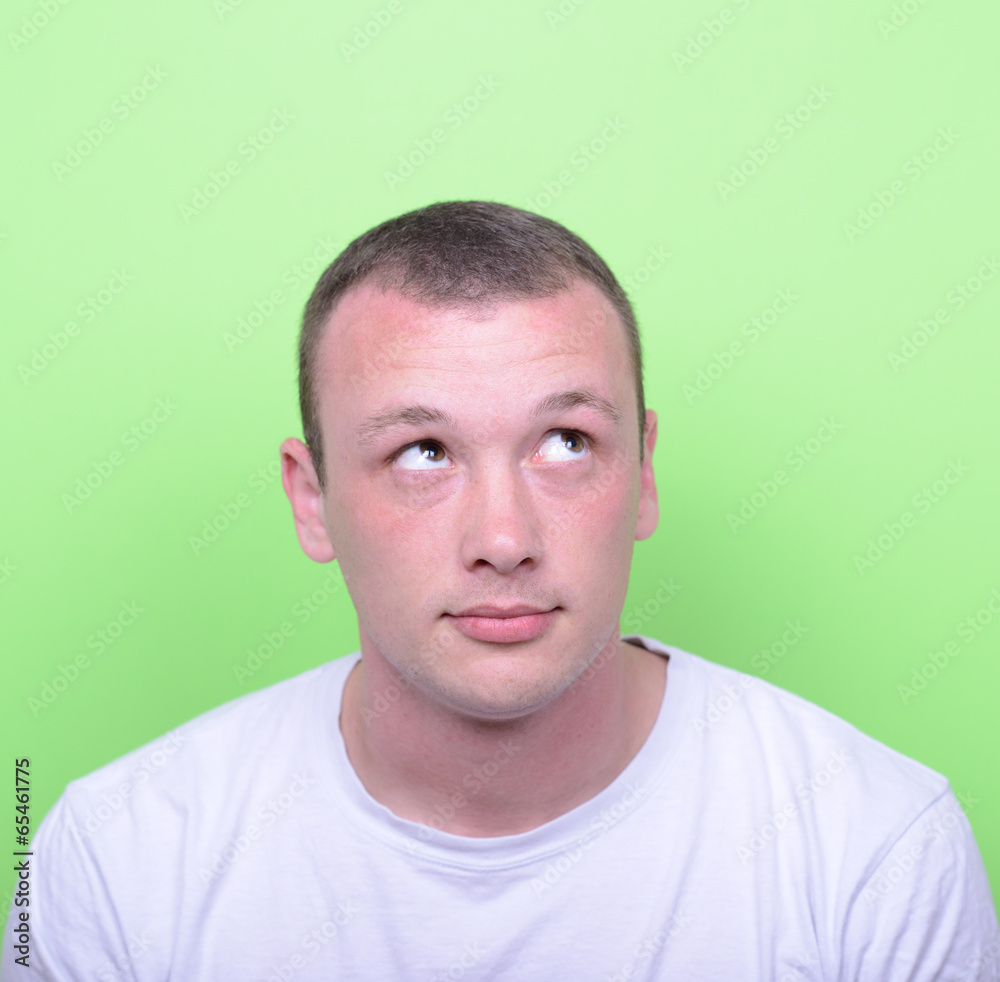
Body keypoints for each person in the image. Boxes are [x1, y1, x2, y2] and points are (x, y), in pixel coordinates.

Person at [5, 201, 998, 981]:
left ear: (642, 473)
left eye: (566, 443)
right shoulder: (115, 857)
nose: (503, 540)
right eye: (422, 452)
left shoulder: (874, 845)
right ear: (312, 499)